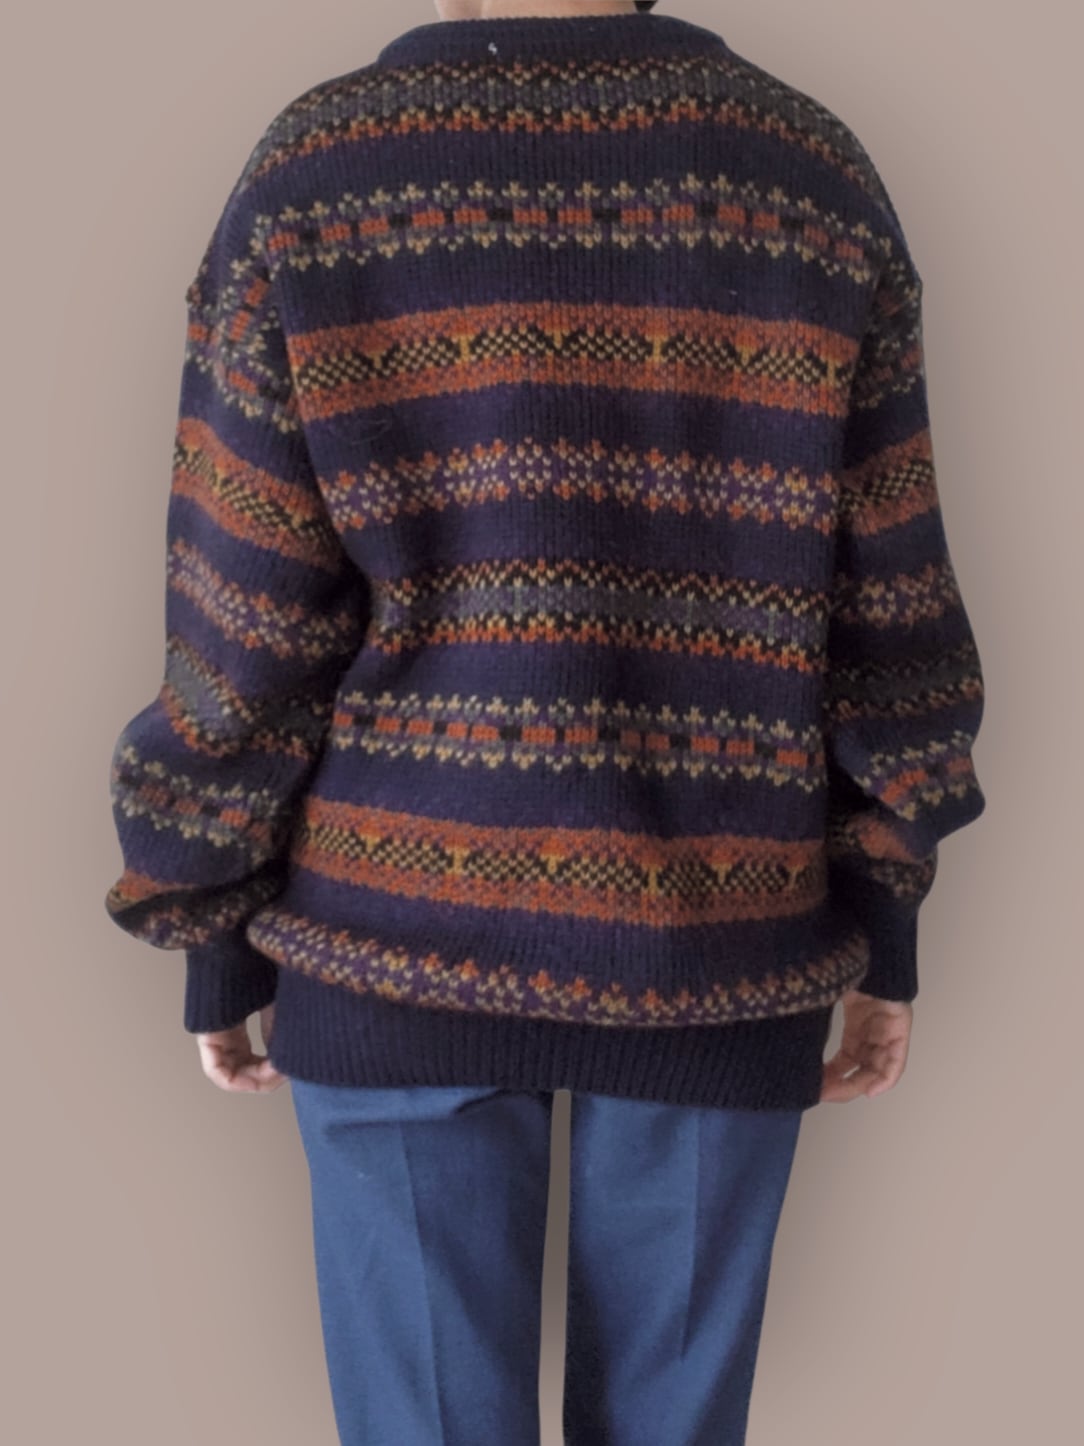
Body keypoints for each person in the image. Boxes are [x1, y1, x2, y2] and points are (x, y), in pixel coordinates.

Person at [103, 2, 987, 1441]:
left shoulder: (321, 171)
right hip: (723, 938)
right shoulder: (807, 172)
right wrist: (884, 909)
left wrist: (209, 914)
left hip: (393, 929)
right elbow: (891, 606)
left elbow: (241, 607)